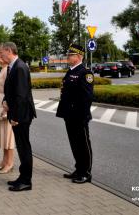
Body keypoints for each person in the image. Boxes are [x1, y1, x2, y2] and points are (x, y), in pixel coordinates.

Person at [0, 42, 36, 192]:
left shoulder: (20, 67)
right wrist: (6, 101)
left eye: (2, 53)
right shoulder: (14, 66)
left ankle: (26, 181)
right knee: (21, 147)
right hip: (17, 112)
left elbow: (21, 96)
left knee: (24, 147)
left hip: (21, 115)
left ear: (9, 51)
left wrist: (16, 116)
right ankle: (22, 177)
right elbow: (12, 91)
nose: (1, 56)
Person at [56, 44, 94, 184]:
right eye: (68, 54)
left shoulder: (85, 73)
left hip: (79, 116)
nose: (68, 56)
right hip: (69, 115)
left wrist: (84, 117)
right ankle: (78, 169)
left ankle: (86, 173)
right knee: (74, 144)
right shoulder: (70, 71)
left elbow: (87, 97)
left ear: (79, 57)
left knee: (83, 144)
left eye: (71, 55)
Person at [0, 49, 15, 174]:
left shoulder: (8, 70)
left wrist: (7, 107)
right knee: (2, 135)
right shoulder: (2, 69)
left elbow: (10, 90)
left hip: (5, 104)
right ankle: (5, 161)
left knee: (8, 136)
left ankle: (10, 163)